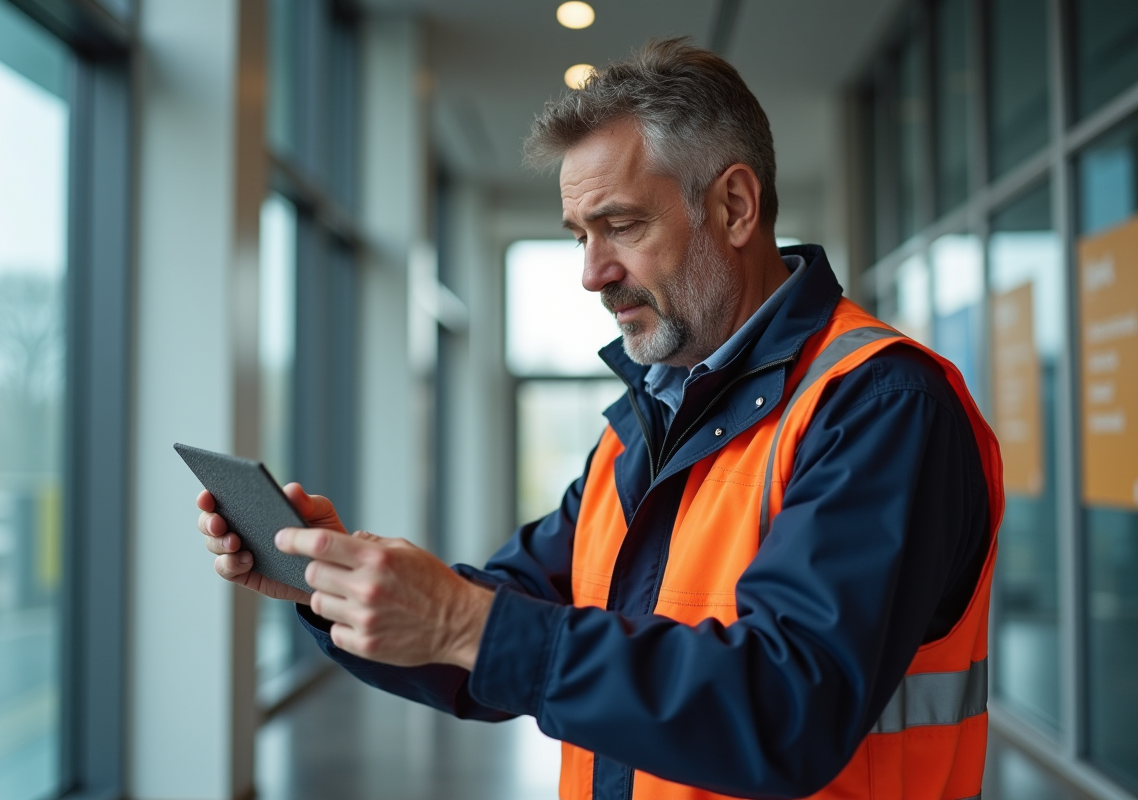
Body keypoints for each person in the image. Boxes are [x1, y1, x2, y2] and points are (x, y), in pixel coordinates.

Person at [197, 38, 1003, 800]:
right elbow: (508, 620)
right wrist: (330, 584)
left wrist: (461, 620)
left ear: (733, 206)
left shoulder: (879, 406)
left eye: (620, 225)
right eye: (580, 236)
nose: (591, 273)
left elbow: (785, 707)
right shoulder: (645, 423)